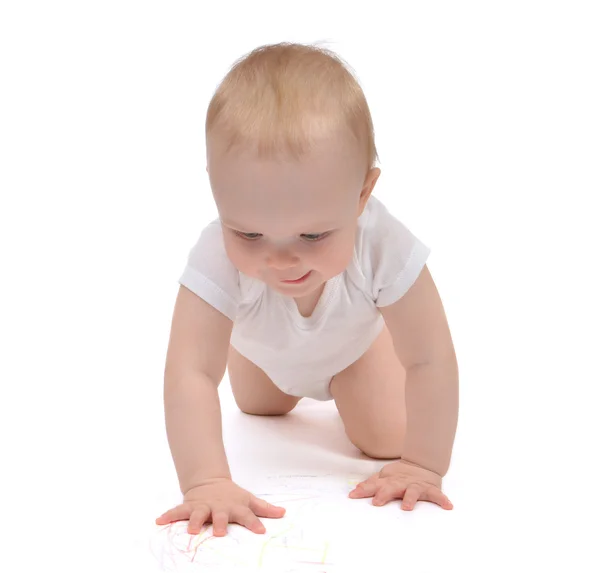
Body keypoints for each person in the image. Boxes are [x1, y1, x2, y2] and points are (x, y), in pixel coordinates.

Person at [156, 42, 459, 537]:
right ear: (217, 190)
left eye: (313, 235)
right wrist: (206, 481)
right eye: (249, 233)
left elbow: (431, 356)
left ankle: (348, 380)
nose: (279, 259)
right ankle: (257, 359)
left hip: (353, 349)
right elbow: (190, 370)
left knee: (386, 438)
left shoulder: (381, 243)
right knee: (259, 406)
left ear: (362, 195)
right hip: (261, 350)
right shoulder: (214, 252)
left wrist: (424, 465)